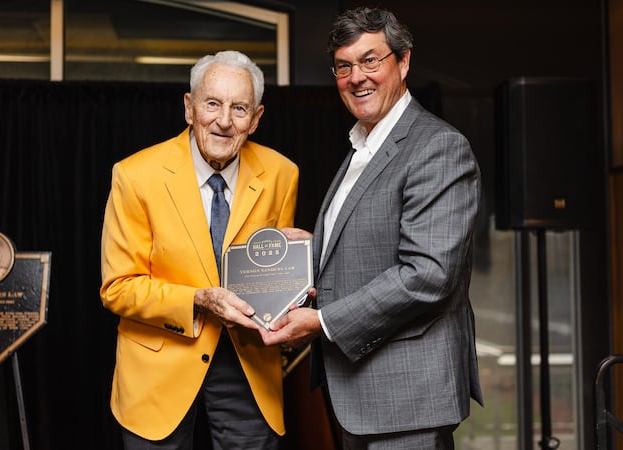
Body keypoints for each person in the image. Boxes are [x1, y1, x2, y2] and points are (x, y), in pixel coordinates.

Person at [260, 7, 483, 449]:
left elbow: (428, 274)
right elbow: (378, 242)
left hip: (407, 398)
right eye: (344, 66)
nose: (356, 77)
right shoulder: (363, 145)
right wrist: (317, 248)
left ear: (404, 61)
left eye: (370, 60)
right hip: (364, 394)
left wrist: (321, 322)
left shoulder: (437, 146)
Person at [99, 50, 299, 449]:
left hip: (248, 366)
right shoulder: (135, 176)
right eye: (212, 104)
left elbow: (277, 277)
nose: (224, 120)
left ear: (256, 118)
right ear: (189, 108)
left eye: (239, 108)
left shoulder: (282, 173)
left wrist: (294, 293)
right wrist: (199, 300)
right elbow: (118, 288)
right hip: (158, 370)